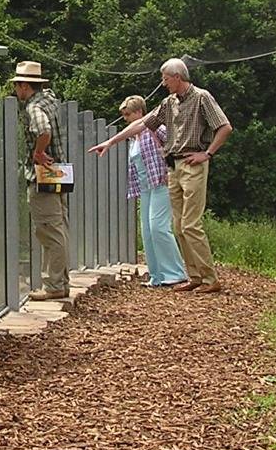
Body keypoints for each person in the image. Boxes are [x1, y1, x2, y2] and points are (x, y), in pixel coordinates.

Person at [90, 58, 231, 293]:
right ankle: (194, 276)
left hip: (192, 163)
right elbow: (142, 124)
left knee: (191, 224)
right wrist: (112, 141)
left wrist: (207, 154)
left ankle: (210, 278)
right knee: (178, 225)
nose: (163, 83)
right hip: (173, 166)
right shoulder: (169, 103)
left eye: (165, 78)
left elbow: (224, 127)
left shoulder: (202, 97)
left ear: (177, 77)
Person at [12, 61, 71, 301]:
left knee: (49, 231)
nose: (16, 90)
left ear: (25, 85)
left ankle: (54, 284)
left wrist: (37, 153)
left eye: (17, 85)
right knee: (60, 227)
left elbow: (43, 130)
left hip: (42, 175)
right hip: (58, 172)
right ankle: (61, 281)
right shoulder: (50, 99)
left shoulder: (33, 107)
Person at [119, 95, 188, 288]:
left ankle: (175, 272)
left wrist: (170, 170)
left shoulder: (157, 129)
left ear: (139, 112)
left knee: (159, 227)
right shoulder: (134, 138)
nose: (126, 119)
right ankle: (156, 273)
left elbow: (175, 146)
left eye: (128, 114)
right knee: (147, 231)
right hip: (145, 186)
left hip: (161, 182)